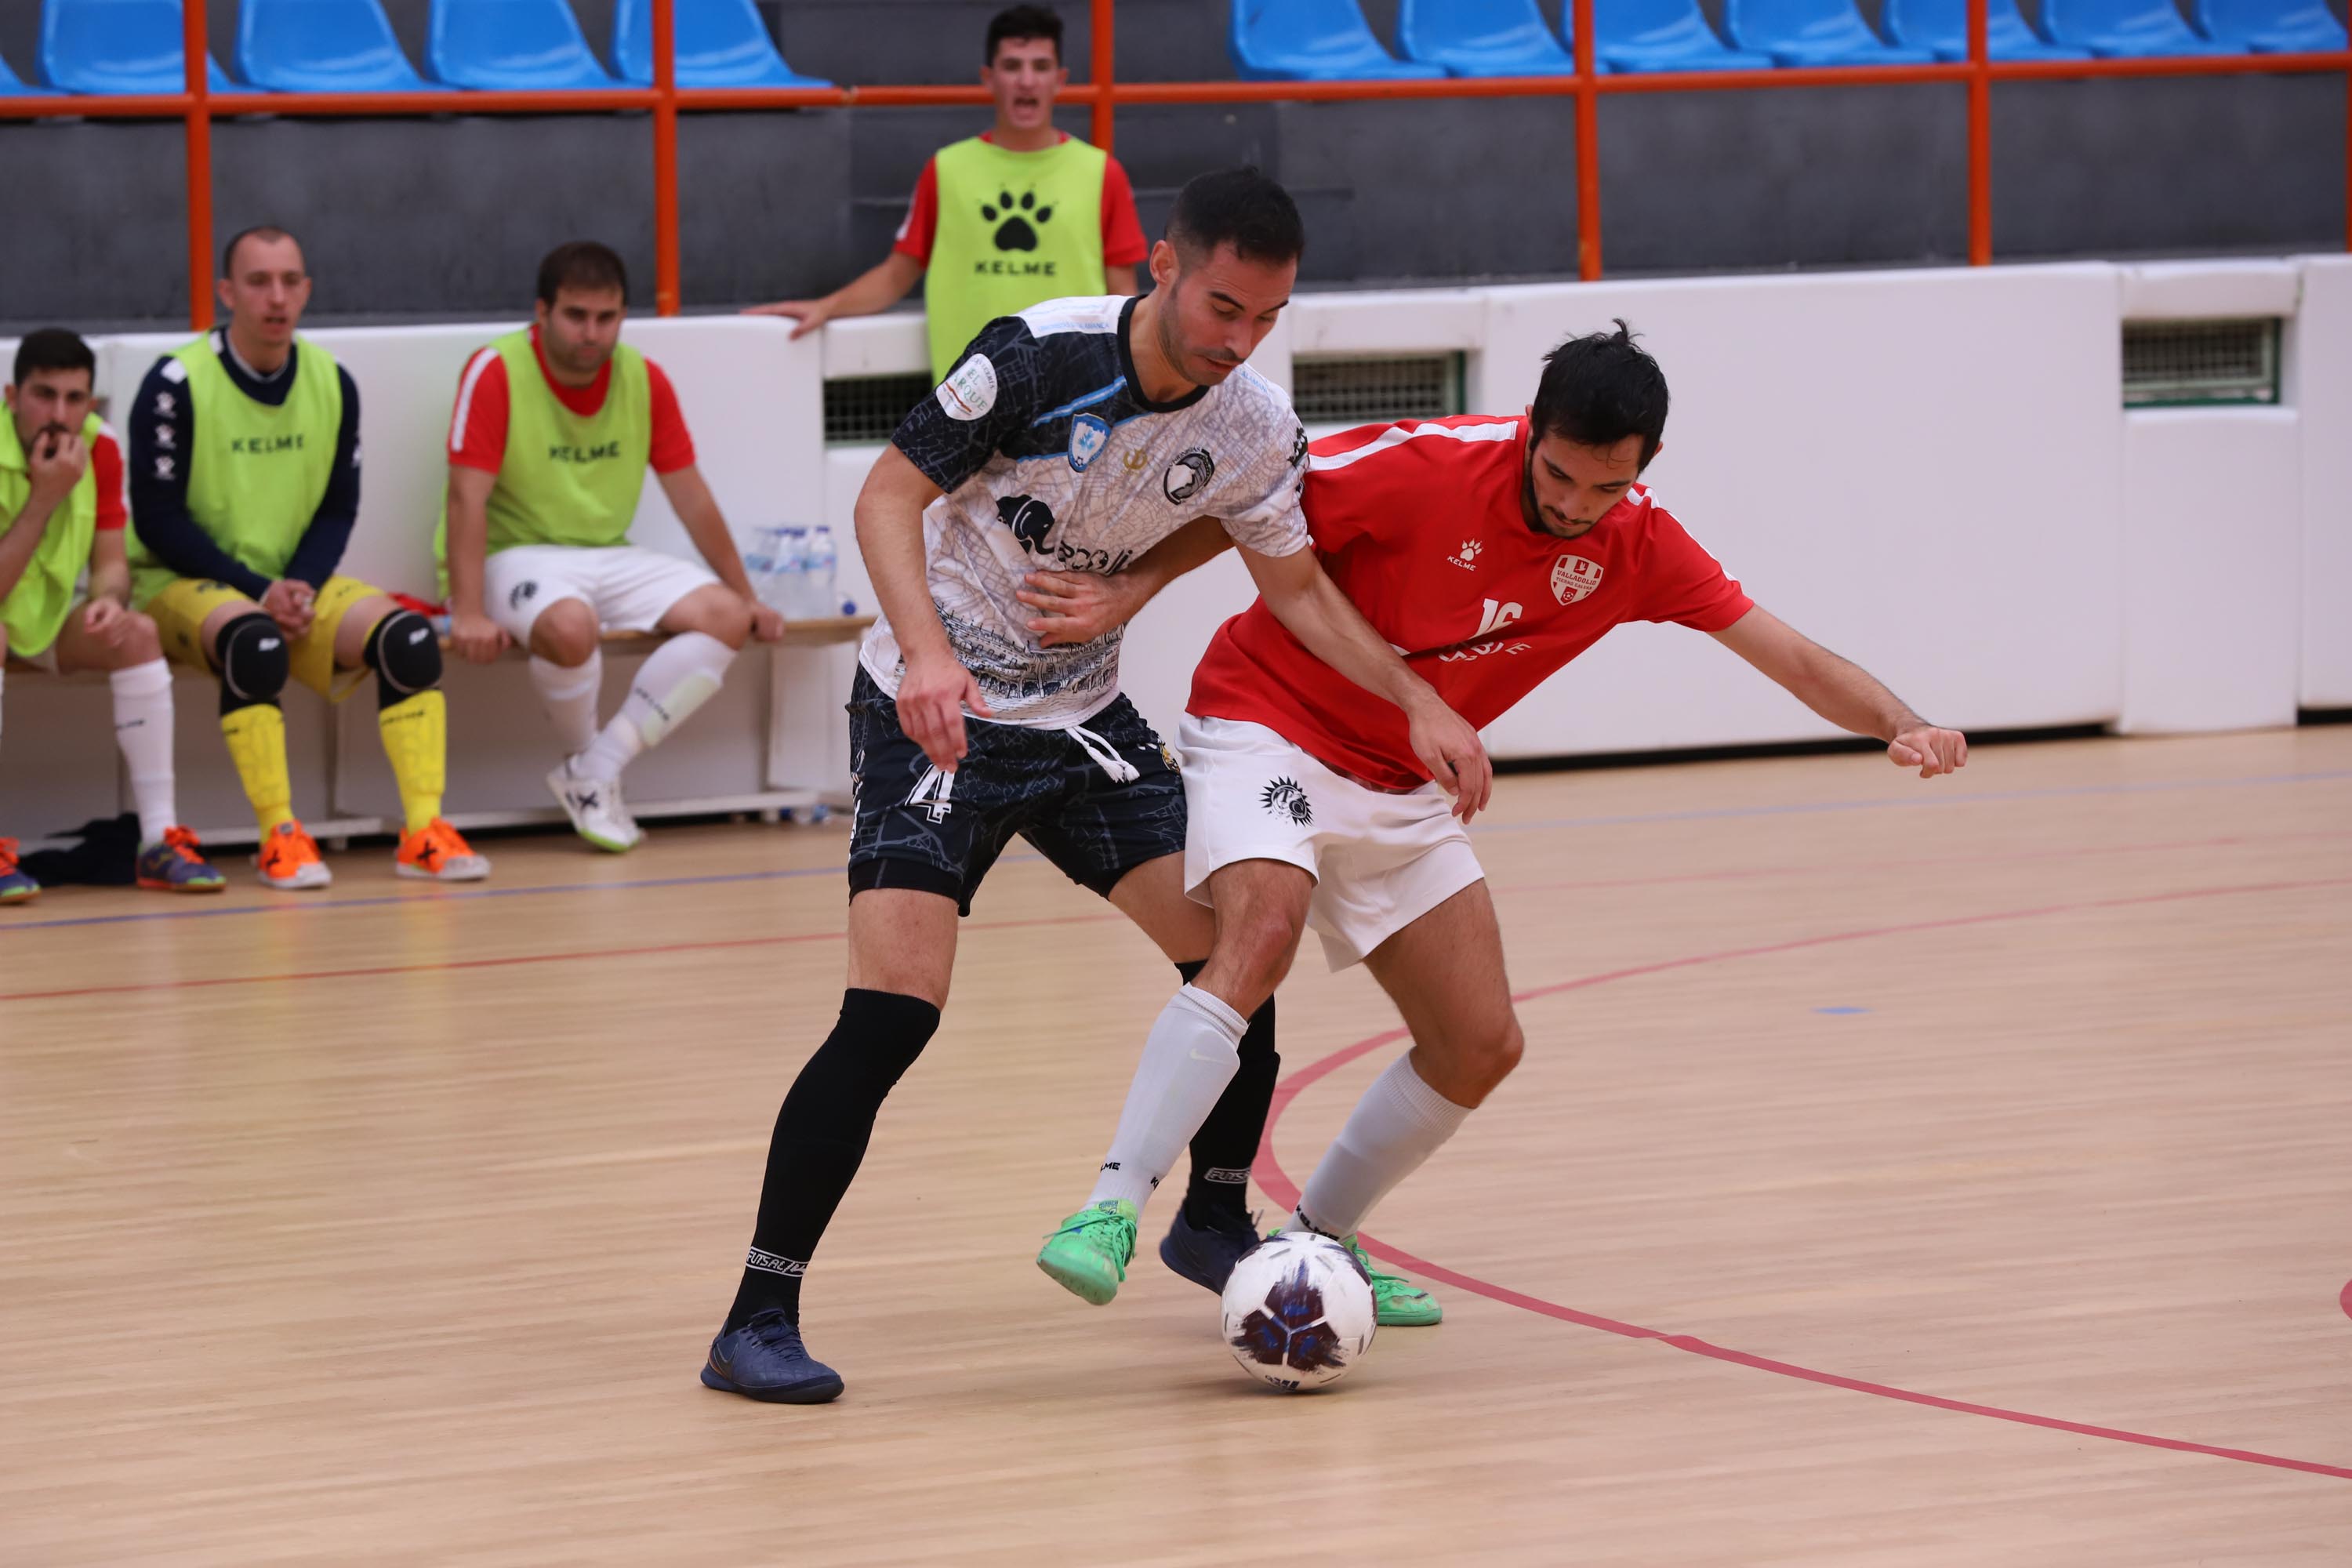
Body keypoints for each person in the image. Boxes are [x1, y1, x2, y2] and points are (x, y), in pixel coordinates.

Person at [700, 167, 1490, 1406]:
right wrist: (922, 656)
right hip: (939, 713)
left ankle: (1211, 1222)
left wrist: (1420, 701)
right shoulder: (1033, 356)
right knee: (893, 1012)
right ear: (1165, 266)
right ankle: (756, 1315)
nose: (1242, 340)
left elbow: (1289, 580)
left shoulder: (1252, 421)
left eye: (1269, 317)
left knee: (1241, 956)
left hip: (1082, 722)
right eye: (1225, 307)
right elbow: (889, 494)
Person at [1036, 321, 1971, 1325]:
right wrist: (1130, 587)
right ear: (1531, 429)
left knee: (1479, 1042)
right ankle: (1109, 1207)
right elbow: (1254, 503)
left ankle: (1316, 1243)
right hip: (1270, 720)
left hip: (1400, 781)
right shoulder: (1430, 465)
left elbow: (1783, 652)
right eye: (1559, 475)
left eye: (1605, 487)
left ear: (1645, 466)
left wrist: (1902, 721)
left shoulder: (1640, 543)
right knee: (1260, 932)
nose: (1574, 507)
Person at [126, 227, 488, 890]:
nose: (277, 297)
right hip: (182, 582)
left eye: (290, 281)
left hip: (284, 584)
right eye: (259, 282)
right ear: (227, 293)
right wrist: (259, 590)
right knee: (255, 643)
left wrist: (299, 584)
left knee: (408, 640)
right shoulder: (176, 383)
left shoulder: (332, 381)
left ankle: (423, 831)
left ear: (307, 290)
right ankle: (280, 835)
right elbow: (157, 522)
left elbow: (336, 509)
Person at [441, 241, 786, 853]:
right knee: (573, 627)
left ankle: (596, 768)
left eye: (606, 318)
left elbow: (692, 498)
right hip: (514, 554)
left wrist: (747, 595)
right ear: (542, 311)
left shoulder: (644, 378)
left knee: (727, 618)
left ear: (624, 316)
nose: (590, 333)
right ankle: (586, 767)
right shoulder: (494, 370)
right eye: (576, 316)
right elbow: (466, 499)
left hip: (606, 552)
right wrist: (466, 610)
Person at [747, 4, 1148, 384]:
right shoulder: (947, 169)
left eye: (1040, 67)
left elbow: (1122, 300)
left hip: (1069, 397)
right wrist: (826, 307)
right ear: (988, 77)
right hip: (966, 400)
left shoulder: (1101, 173)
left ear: (1060, 80)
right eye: (1012, 66)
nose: (1026, 80)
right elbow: (894, 277)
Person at [1, 329, 223, 904]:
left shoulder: (99, 449)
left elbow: (111, 564)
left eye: (75, 399)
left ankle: (157, 841)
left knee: (138, 634)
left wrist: (107, 600)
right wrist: (46, 496)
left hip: (47, 618)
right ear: (10, 397)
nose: (59, 414)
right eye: (43, 395)